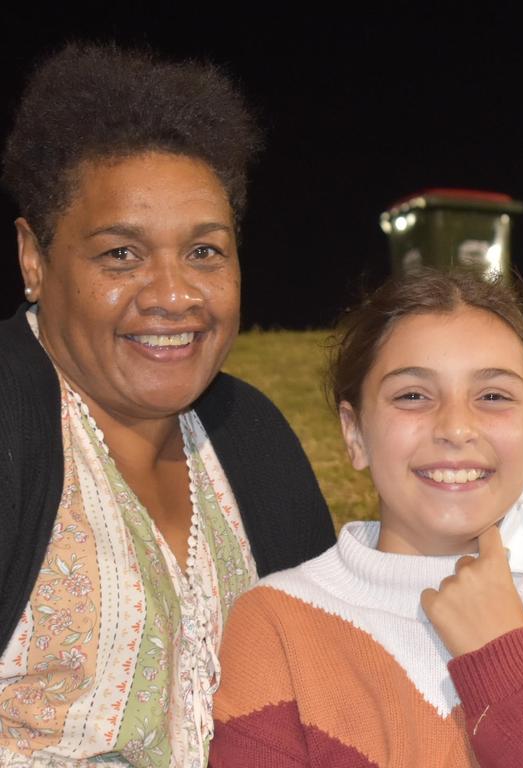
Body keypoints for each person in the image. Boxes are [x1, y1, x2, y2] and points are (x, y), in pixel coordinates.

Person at [209, 270, 523, 767]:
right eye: (413, 396)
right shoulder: (277, 623)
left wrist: (507, 666)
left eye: (493, 396)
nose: (456, 427)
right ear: (354, 433)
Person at [0, 44, 335, 765]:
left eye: (205, 252)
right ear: (34, 258)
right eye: (121, 254)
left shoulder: (254, 442)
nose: (173, 294)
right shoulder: (10, 417)